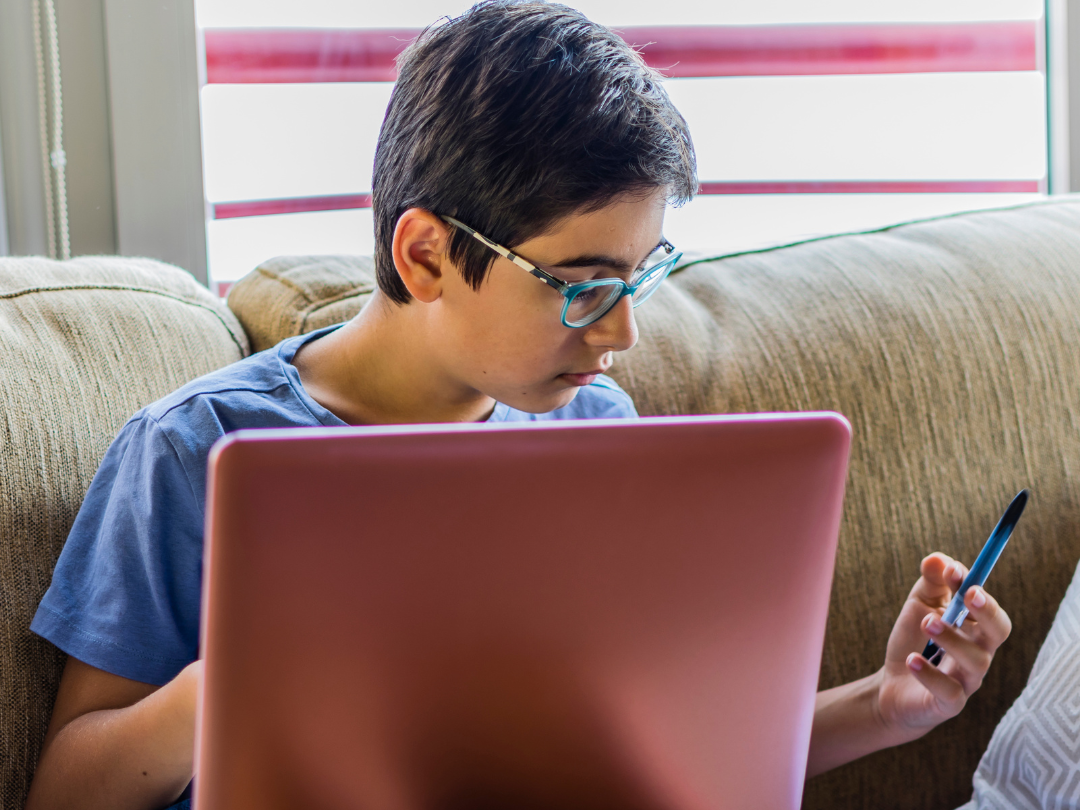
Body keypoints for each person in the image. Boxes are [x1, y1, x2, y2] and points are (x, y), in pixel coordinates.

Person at [23, 3, 1012, 809]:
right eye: (582, 286)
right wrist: (230, 685)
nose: (621, 332)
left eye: (640, 276)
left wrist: (886, 707)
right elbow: (67, 792)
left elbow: (672, 756)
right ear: (425, 256)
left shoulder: (597, 434)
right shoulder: (196, 449)